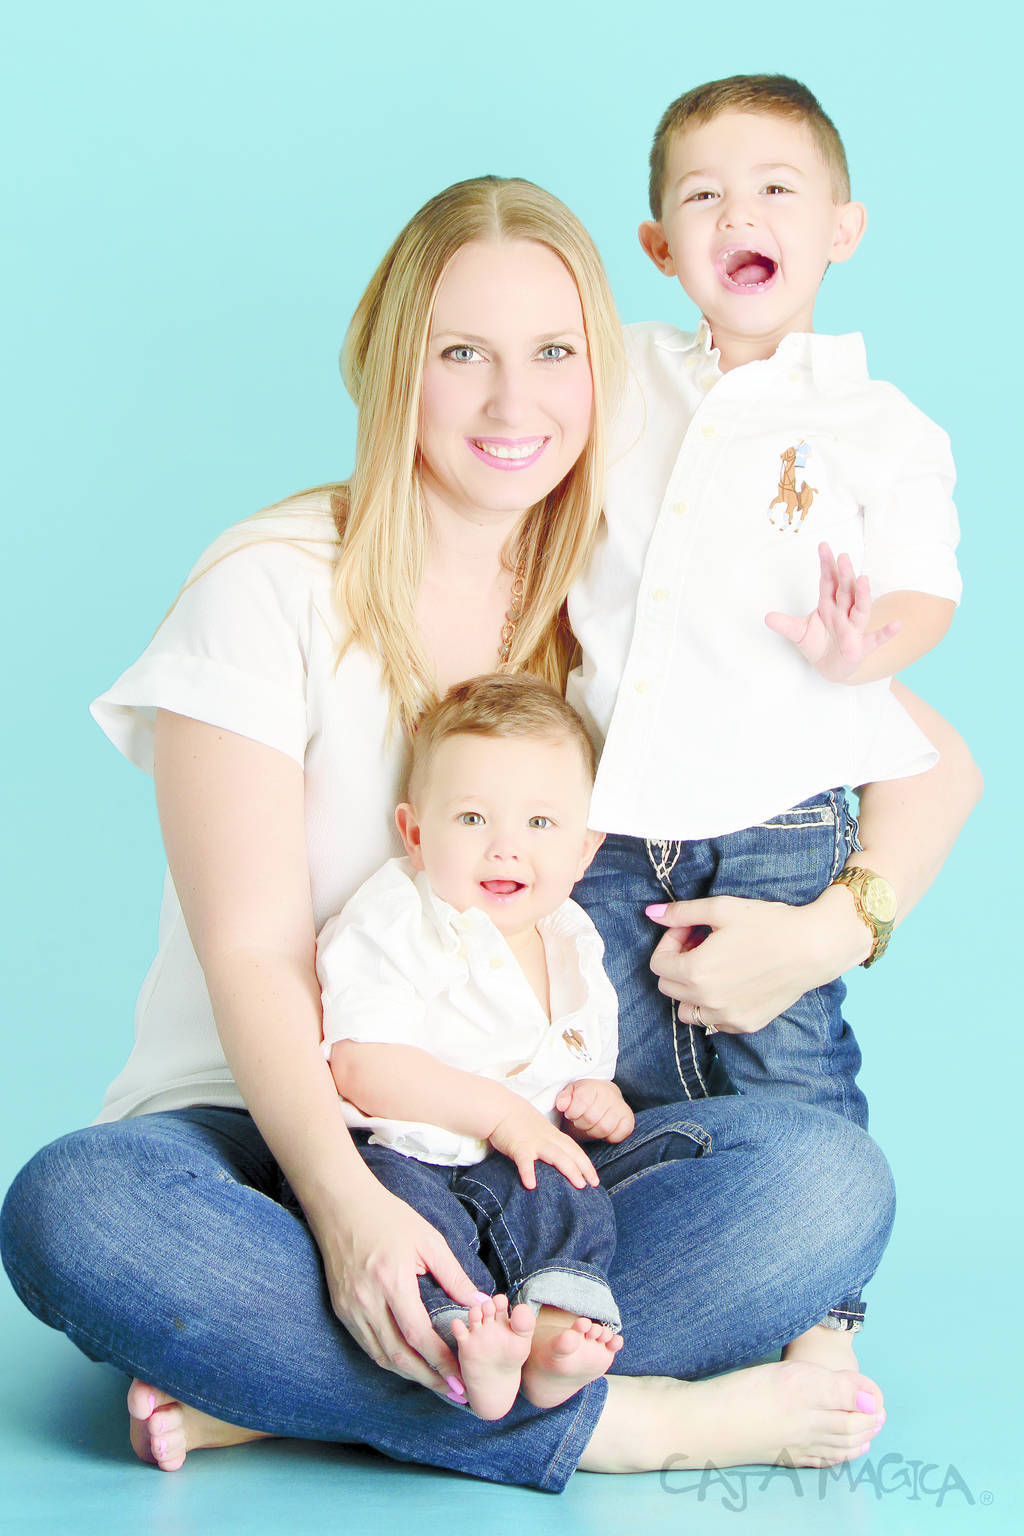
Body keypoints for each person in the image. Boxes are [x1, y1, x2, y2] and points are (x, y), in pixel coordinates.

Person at [0, 175, 974, 1489]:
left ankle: (292, 1390)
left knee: (827, 1183)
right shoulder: (268, 586)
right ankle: (619, 1422)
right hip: (264, 1136)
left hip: (523, 1166)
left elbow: (935, 765)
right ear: (391, 364)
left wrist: (827, 933)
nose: (515, 406)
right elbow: (253, 954)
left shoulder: (619, 610)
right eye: (462, 354)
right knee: (80, 1214)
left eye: (555, 354)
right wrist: (345, 1211)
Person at [570, 75, 965, 1348]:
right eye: (703, 196)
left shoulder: (876, 424)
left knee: (788, 1068)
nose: (738, 213)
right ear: (659, 246)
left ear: (841, 229)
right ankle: (591, 1293)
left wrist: (868, 647)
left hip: (779, 818)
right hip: (605, 817)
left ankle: (819, 1324)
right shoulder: (625, 374)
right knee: (594, 1066)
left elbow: (923, 587)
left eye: (776, 190)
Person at [319, 673, 634, 1420]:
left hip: (517, 1163)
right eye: (471, 818)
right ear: (415, 832)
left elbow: (581, 1064)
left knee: (570, 1194)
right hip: (405, 1150)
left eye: (541, 823)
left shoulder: (574, 939)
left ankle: (551, 1333)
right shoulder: (399, 916)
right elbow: (360, 1065)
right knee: (410, 1222)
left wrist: (601, 1100)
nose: (506, 848)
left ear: (586, 850)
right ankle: (462, 1336)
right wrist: (500, 1114)